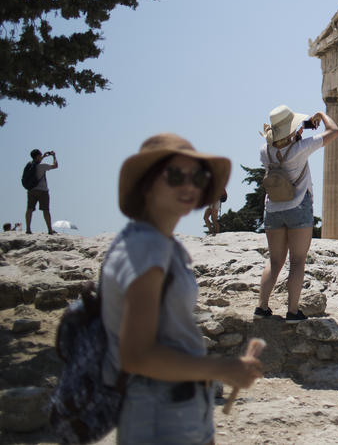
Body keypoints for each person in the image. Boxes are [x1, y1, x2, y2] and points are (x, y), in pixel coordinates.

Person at [102, 133, 262, 444]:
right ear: (147, 184)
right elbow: (136, 356)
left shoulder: (165, 246)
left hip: (181, 407)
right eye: (175, 175)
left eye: (197, 176)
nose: (188, 185)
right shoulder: (144, 248)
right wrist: (223, 368)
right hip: (157, 414)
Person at [256, 105, 338, 321]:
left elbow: (278, 144)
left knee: (274, 261)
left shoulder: (265, 151)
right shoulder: (301, 148)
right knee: (297, 261)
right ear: (292, 130)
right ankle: (293, 311)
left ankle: (262, 307)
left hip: (273, 208)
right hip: (298, 208)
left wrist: (297, 130)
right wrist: (320, 116)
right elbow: (334, 131)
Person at [24, 149, 58, 234]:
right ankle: (50, 230)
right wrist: (54, 156)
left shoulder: (30, 165)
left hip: (31, 190)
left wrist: (43, 156)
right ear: (38, 156)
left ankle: (28, 229)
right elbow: (55, 166)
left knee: (29, 209)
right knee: (46, 210)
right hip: (42, 191)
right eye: (40, 155)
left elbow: (37, 161)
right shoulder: (42, 166)